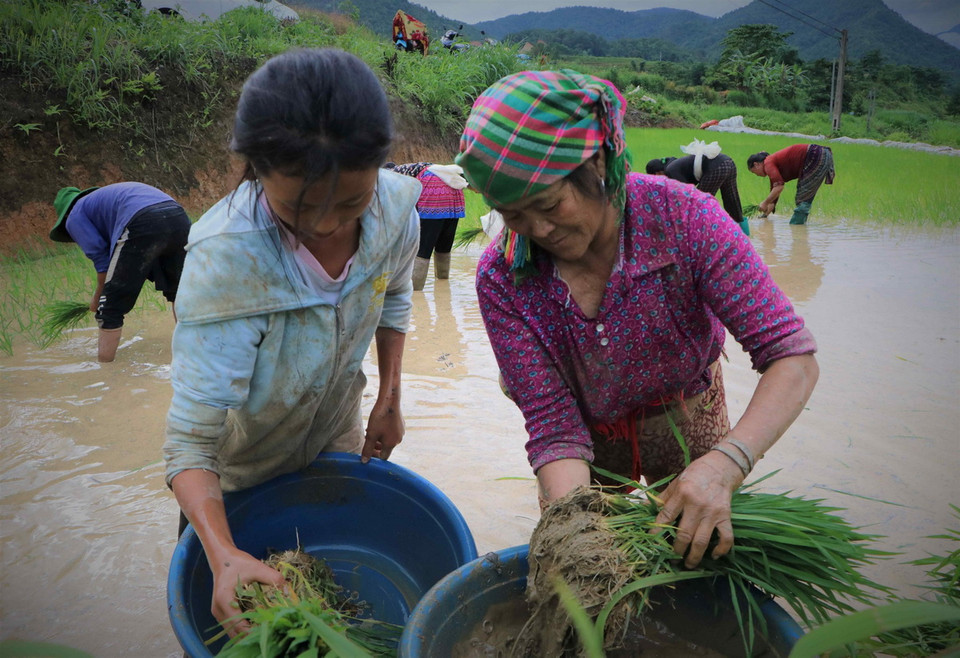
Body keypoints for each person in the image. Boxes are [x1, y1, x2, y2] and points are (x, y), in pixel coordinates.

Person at [456, 70, 819, 569]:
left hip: (689, 410)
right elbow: (552, 422)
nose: (538, 231)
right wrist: (572, 532)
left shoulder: (684, 219)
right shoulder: (503, 276)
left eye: (549, 204)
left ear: (598, 161)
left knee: (699, 556)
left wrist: (725, 465)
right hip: (585, 436)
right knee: (580, 559)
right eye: (513, 214)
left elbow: (792, 357)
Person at [162, 48, 421, 637]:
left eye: (352, 203)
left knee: (334, 580)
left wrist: (390, 393)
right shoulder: (225, 258)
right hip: (238, 470)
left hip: (334, 430)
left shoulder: (398, 209)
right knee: (228, 621)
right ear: (255, 169)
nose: (329, 225)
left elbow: (396, 294)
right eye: (297, 209)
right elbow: (189, 444)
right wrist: (225, 555)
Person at [49, 182, 190, 362]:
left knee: (109, 309)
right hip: (178, 216)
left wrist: (97, 297)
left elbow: (102, 262)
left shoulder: (75, 214)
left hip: (142, 221)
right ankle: (192, 355)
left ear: (65, 213)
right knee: (180, 293)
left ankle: (105, 371)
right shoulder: (103, 201)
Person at [386, 162, 467, 290]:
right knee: (444, 245)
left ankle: (415, 290)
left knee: (423, 248)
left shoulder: (391, 177)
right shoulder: (411, 169)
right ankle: (443, 283)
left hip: (432, 191)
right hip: (453, 191)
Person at [649, 141, 748, 235]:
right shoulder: (676, 165)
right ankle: (745, 236)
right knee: (732, 200)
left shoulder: (670, 171)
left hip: (716, 167)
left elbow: (685, 196)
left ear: (657, 173)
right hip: (728, 162)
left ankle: (708, 233)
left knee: (699, 205)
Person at [747, 144, 835, 225]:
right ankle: (799, 227)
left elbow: (779, 187)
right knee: (805, 197)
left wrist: (764, 203)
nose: (757, 175)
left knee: (803, 199)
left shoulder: (767, 163)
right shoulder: (772, 165)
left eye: (754, 172)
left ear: (756, 164)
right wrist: (765, 215)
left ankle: (797, 230)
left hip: (815, 156)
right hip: (821, 154)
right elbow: (774, 194)